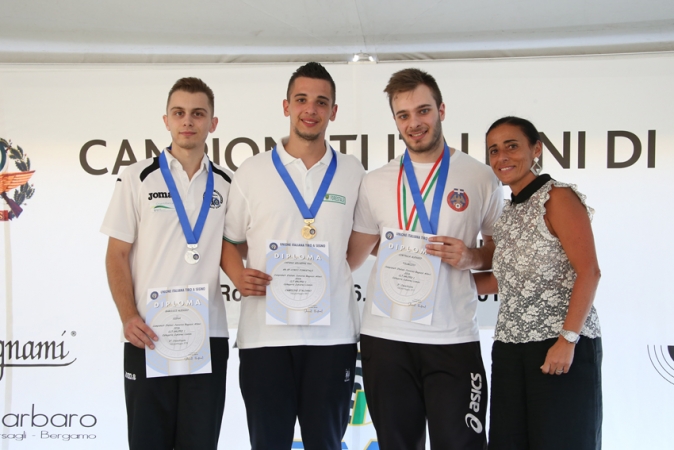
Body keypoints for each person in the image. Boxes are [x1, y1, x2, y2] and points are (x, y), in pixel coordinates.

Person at [346, 68, 504, 450]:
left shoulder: (480, 176)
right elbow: (352, 256)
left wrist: (470, 257)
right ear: (396, 121)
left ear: (441, 110)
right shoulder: (376, 180)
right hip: (386, 339)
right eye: (403, 115)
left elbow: (501, 255)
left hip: (452, 338)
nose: (414, 123)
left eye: (423, 111)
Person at [221, 62, 364, 450]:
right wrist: (237, 276)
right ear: (286, 106)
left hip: (332, 338)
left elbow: (360, 243)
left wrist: (328, 274)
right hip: (265, 338)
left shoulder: (352, 171)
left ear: (333, 111)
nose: (310, 109)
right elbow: (229, 240)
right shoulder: (251, 171)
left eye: (321, 101)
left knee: (327, 443)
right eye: (301, 99)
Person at [101, 77, 231, 450]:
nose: (187, 121)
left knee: (199, 443)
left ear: (212, 123)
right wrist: (128, 316)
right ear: (166, 120)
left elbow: (233, 251)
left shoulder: (226, 183)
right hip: (149, 336)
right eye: (179, 113)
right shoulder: (137, 177)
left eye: (197, 113)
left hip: (207, 339)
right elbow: (116, 254)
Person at [476, 116, 602, 450]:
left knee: (561, 441)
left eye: (511, 146)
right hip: (509, 348)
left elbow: (589, 271)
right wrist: (440, 281)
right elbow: (501, 280)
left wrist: (568, 339)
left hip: (558, 345)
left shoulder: (557, 198)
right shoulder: (504, 214)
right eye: (493, 150)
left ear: (536, 149)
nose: (502, 156)